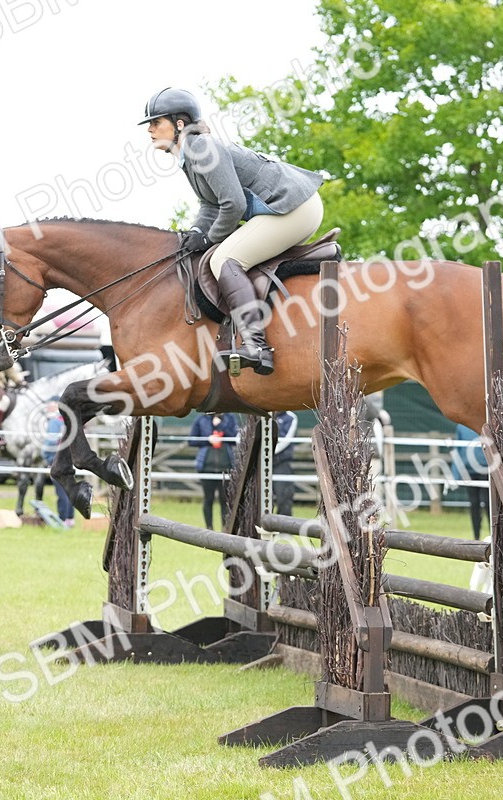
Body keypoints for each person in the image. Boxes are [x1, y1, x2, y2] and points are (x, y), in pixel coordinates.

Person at [141, 87, 325, 376]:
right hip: (289, 208)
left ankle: (255, 345)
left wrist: (210, 238)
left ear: (179, 124)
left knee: (224, 259)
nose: (150, 130)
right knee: (225, 254)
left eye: (156, 122)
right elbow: (210, 205)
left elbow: (234, 204)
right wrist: (195, 233)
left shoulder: (200, 147)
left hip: (295, 207)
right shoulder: (189, 154)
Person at [189, 412, 238, 531]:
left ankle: (225, 528)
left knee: (225, 499)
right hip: (206, 467)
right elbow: (192, 440)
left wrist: (220, 427)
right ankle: (209, 527)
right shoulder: (201, 419)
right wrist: (208, 440)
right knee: (208, 498)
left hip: (226, 467)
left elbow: (235, 439)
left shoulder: (230, 418)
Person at [451, 424, 489, 540]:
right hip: (469, 472)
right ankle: (476, 537)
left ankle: (494, 535)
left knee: (488, 503)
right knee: (474, 504)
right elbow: (458, 449)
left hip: (486, 470)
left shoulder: (485, 423)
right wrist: (455, 475)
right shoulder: (461, 427)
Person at [41, 398, 75, 528]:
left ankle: (62, 518)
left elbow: (50, 442)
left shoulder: (54, 423)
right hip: (70, 459)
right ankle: (70, 518)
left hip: (57, 458)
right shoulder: (70, 422)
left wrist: (46, 456)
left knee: (61, 492)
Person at [273, 410, 298, 516]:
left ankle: (284, 530)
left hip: (281, 462)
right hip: (263, 461)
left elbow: (286, 439)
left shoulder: (290, 417)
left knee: (284, 497)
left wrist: (270, 451)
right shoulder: (265, 415)